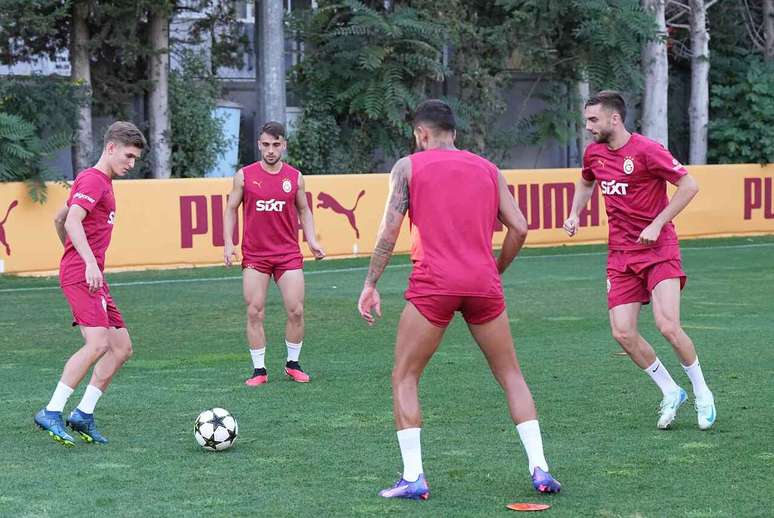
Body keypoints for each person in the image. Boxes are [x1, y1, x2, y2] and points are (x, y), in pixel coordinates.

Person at [357, 99, 561, 500]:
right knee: (510, 375)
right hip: (483, 284)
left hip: (435, 284)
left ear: (422, 134)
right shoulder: (487, 169)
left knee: (405, 376)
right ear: (455, 132)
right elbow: (519, 227)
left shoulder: (408, 167)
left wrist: (370, 283)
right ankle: (540, 468)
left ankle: (413, 476)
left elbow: (388, 233)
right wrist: (495, 267)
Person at [563, 90, 716, 430]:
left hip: (658, 249)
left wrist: (657, 223)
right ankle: (670, 390)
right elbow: (586, 182)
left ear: (614, 119)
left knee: (667, 326)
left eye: (593, 120)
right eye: (587, 120)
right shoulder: (595, 154)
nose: (588, 126)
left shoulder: (647, 151)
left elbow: (689, 185)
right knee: (622, 332)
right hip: (620, 254)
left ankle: (703, 392)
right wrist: (574, 213)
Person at [35, 121, 146, 446]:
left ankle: (82, 414)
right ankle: (51, 411)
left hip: (90, 274)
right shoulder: (93, 180)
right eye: (128, 156)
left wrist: (73, 255)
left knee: (121, 348)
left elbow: (60, 217)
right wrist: (83, 262)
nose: (131, 163)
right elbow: (72, 220)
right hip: (85, 274)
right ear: (110, 148)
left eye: (135, 158)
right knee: (97, 344)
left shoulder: (101, 183)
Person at [224, 121, 325, 386]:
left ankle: (293, 364)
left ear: (284, 145)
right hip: (256, 256)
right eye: (266, 145)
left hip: (288, 253)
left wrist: (312, 239)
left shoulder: (295, 177)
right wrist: (228, 243)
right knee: (255, 311)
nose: (270, 150)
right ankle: (259, 371)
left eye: (276, 144)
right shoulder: (244, 175)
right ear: (259, 144)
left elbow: (304, 210)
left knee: (296, 310)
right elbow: (230, 208)